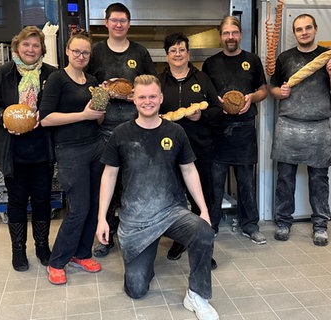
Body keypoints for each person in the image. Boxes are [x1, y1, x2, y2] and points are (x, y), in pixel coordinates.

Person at [96, 75, 219, 320]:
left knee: (204, 231)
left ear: (161, 98)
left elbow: (189, 170)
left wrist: (203, 210)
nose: (148, 101)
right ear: (134, 99)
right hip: (136, 220)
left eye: (153, 96)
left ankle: (197, 295)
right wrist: (102, 219)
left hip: (171, 211)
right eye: (142, 97)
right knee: (137, 290)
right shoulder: (121, 134)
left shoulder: (176, 131)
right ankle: (144, 261)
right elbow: (108, 176)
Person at [0, 26, 57, 272]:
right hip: (12, 150)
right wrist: (4, 117)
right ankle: (18, 251)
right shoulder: (2, 74)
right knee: (17, 201)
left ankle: (43, 247)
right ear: (17, 48)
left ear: (42, 49)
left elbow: (59, 106)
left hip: (43, 149)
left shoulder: (52, 75)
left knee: (44, 200)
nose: (31, 49)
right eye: (26, 45)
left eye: (36, 45)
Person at [269, 13, 331, 246]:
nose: (304, 32)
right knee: (285, 179)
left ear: (315, 29)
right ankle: (283, 221)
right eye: (299, 29)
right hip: (288, 125)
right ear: (294, 33)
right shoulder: (285, 58)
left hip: (319, 126)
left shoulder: (328, 58)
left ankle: (320, 225)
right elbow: (272, 89)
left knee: (319, 179)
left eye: (307, 28)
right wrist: (279, 93)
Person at [86, 2, 156, 257]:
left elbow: (152, 83)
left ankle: (134, 231)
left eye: (123, 20)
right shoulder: (96, 52)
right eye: (114, 20)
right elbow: (87, 85)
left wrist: (136, 93)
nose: (118, 24)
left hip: (136, 127)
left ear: (129, 24)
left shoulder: (140, 52)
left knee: (134, 183)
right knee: (107, 185)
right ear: (106, 23)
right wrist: (101, 91)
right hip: (103, 128)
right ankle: (106, 236)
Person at [38, 29, 105, 284]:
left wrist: (99, 110)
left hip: (95, 147)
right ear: (67, 51)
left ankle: (82, 253)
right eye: (76, 51)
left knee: (95, 206)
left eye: (85, 52)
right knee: (79, 208)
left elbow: (98, 117)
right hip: (70, 151)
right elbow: (45, 119)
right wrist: (83, 115)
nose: (81, 55)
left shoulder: (91, 80)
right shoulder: (57, 79)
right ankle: (57, 260)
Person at [202, 16, 268, 244]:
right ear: (220, 36)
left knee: (246, 182)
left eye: (234, 33)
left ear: (240, 35)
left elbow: (263, 90)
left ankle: (250, 224)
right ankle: (211, 224)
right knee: (215, 183)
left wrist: (252, 98)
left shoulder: (252, 60)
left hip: (244, 130)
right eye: (226, 33)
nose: (230, 37)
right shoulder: (211, 63)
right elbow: (206, 95)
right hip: (218, 130)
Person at [158, 32, 220, 268]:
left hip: (200, 148)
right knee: (174, 199)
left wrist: (201, 115)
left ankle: (203, 246)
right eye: (173, 50)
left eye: (181, 50)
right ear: (167, 55)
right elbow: (148, 109)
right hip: (168, 150)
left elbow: (217, 110)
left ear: (188, 53)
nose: (177, 54)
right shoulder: (160, 81)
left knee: (202, 197)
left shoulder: (202, 78)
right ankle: (179, 240)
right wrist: (160, 118)